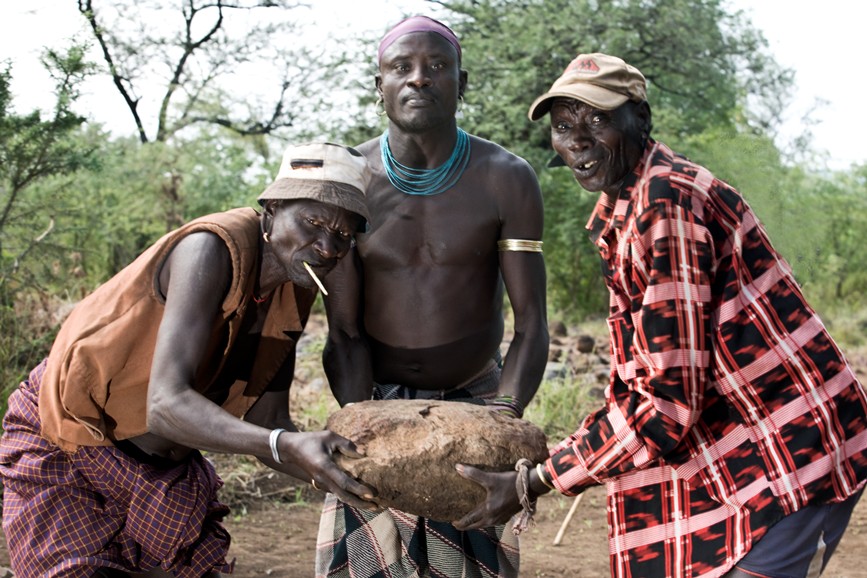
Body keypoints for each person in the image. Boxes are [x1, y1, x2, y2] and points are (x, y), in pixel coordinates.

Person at [454, 52, 867, 577]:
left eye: (598, 120)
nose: (577, 139)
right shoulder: (625, 208)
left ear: (640, 120)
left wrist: (535, 481)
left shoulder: (664, 205)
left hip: (789, 447)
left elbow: (666, 406)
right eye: (563, 126)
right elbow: (653, 377)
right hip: (739, 441)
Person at [0, 142, 380, 578]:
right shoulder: (210, 250)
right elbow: (165, 407)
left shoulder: (294, 286)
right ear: (272, 209)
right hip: (70, 444)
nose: (328, 246)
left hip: (164, 472)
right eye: (313, 222)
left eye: (344, 234)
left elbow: (269, 417)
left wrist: (348, 474)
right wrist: (286, 444)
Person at [315, 15, 550, 578]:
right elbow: (344, 332)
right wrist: (360, 420)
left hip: (478, 398)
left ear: (461, 85)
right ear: (380, 86)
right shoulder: (349, 177)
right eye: (402, 67)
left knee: (468, 557)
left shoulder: (505, 177)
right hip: (374, 405)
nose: (419, 79)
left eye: (437, 67)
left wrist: (500, 420)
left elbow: (532, 323)